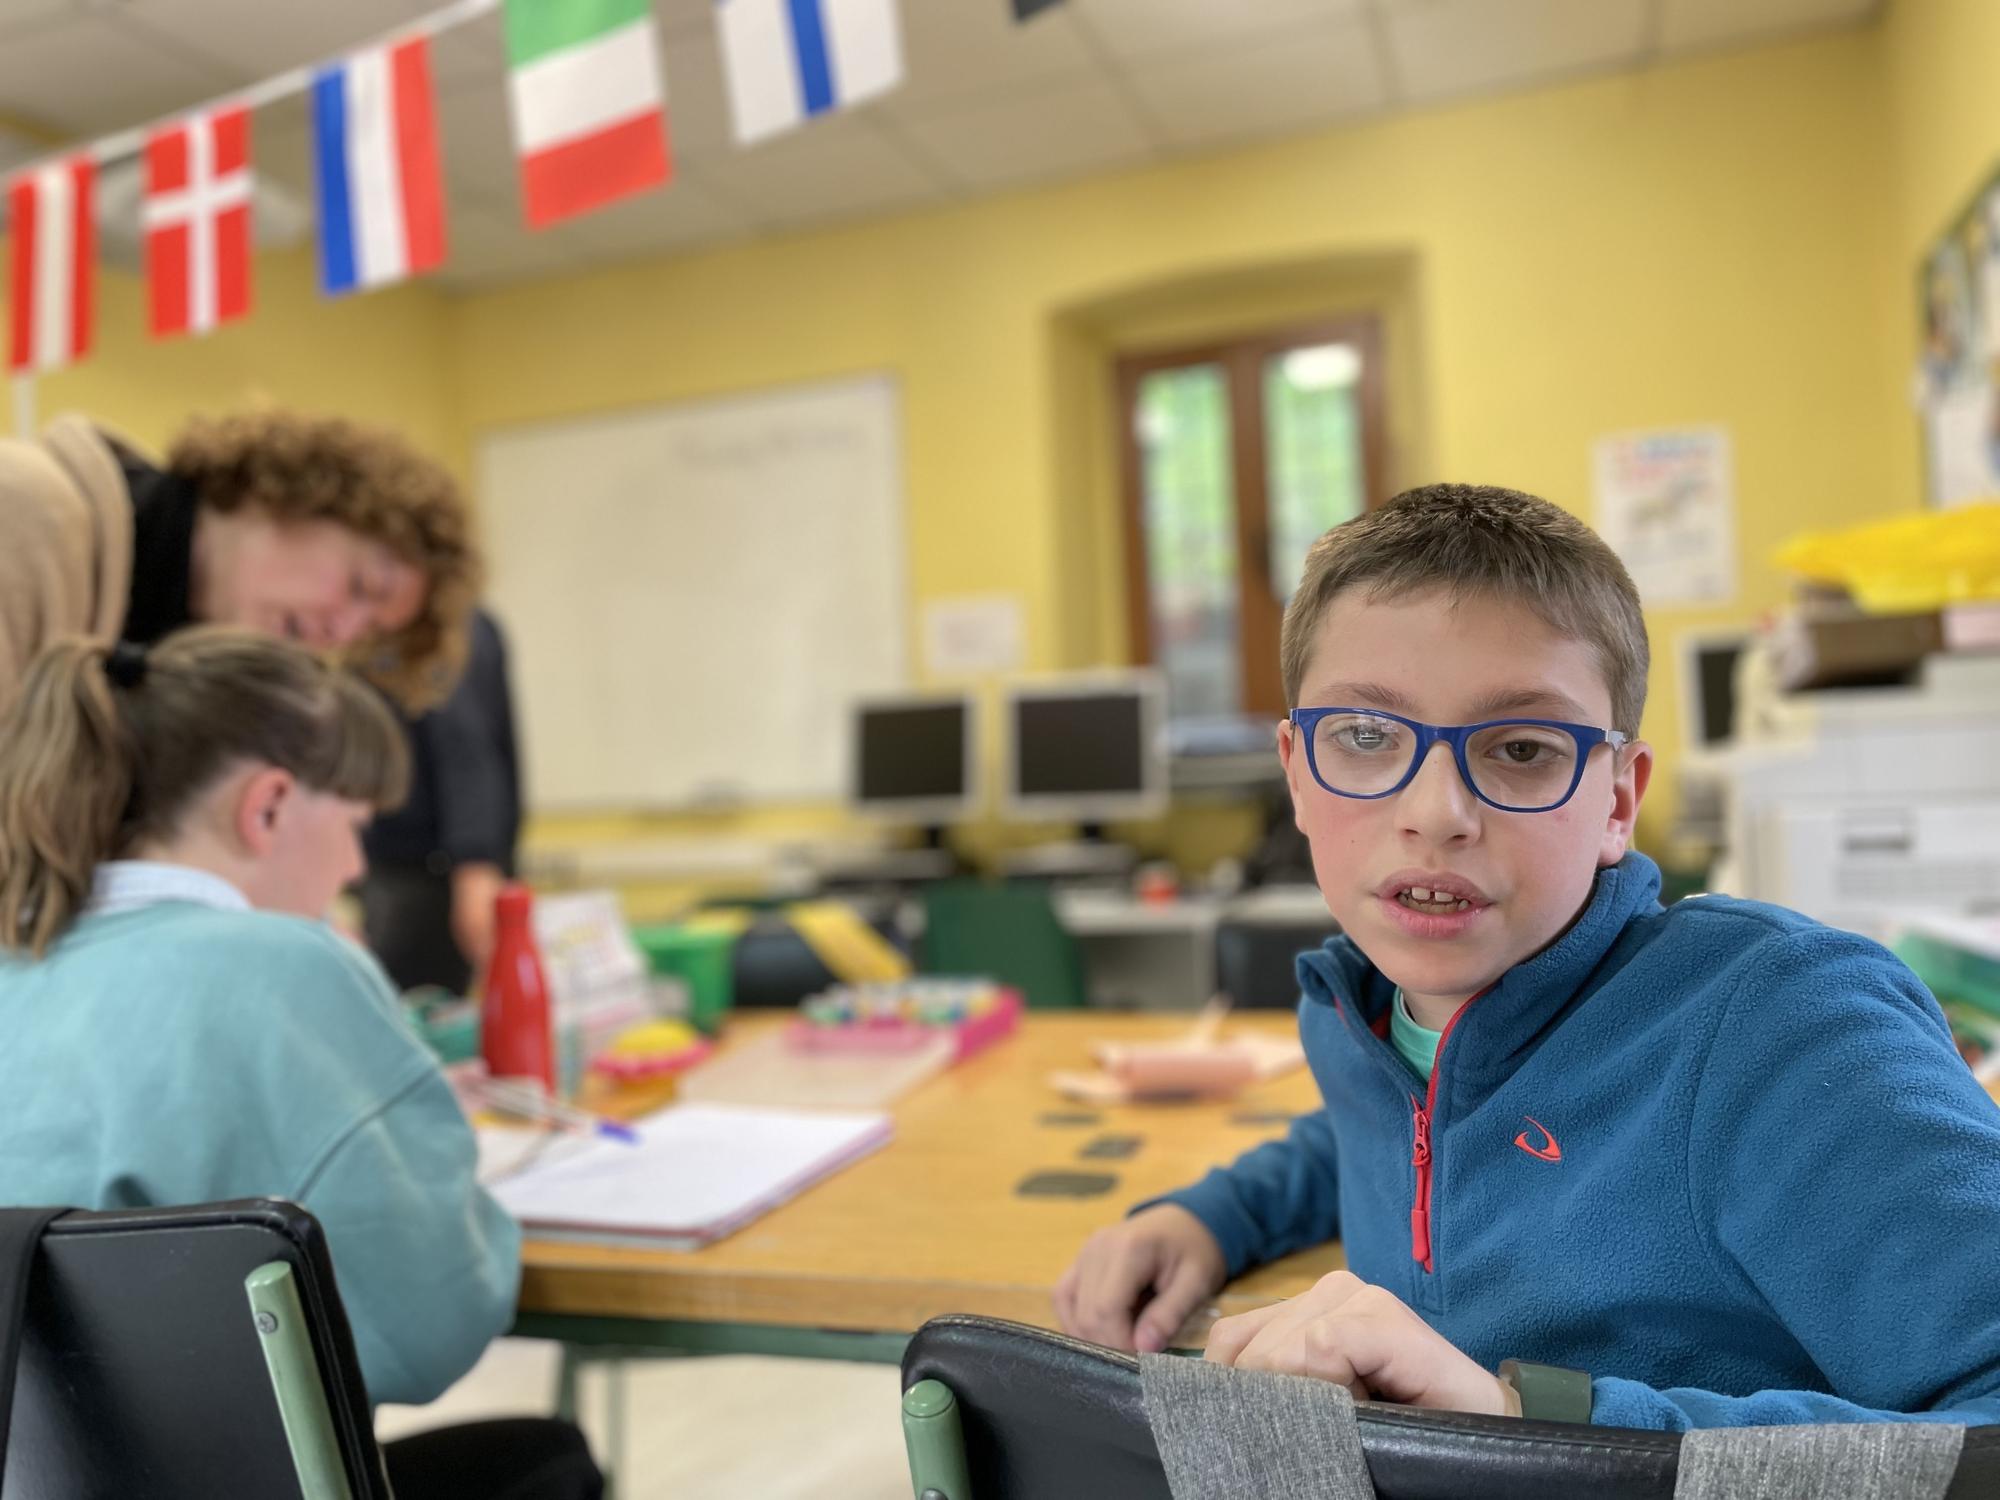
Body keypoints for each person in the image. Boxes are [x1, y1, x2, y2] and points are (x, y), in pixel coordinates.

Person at [1054, 484, 2000, 1429]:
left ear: (1618, 804)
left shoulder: (1787, 1032)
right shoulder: (1371, 1007)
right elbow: (1405, 1128)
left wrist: (1529, 1419)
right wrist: (1214, 1219)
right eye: (1367, 737)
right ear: (1297, 773)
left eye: (1520, 748)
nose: (1435, 813)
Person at [0, 629, 600, 1499]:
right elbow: (434, 1324)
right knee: (546, 1462)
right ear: (270, 807)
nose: (357, 863)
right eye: (356, 824)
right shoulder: (290, 963)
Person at [0, 407, 480, 716]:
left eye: (371, 632)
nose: (342, 633)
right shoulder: (22, 511)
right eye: (362, 585)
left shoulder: (168, 682)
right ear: (296, 493)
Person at [361, 608, 524, 993]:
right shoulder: (470, 622)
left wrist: (474, 864)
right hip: (426, 866)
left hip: (429, 873)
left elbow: (464, 747)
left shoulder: (443, 626)